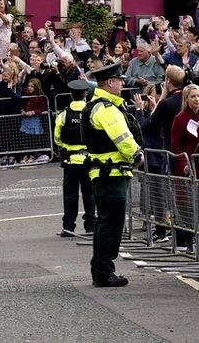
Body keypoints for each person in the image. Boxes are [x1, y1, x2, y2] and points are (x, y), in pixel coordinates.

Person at [81, 63, 141, 288]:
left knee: (105, 222)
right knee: (110, 224)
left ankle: (101, 269)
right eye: (119, 79)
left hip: (105, 172)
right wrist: (137, 155)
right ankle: (104, 271)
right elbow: (123, 138)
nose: (123, 83)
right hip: (112, 173)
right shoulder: (106, 108)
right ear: (109, 83)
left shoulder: (98, 105)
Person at [54, 80, 95, 238]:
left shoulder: (64, 115)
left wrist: (65, 145)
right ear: (85, 94)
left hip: (70, 161)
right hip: (88, 159)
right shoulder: (91, 112)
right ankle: (91, 226)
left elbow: (57, 137)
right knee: (89, 194)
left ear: (71, 95)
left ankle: (69, 227)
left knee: (70, 195)